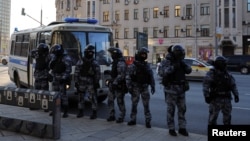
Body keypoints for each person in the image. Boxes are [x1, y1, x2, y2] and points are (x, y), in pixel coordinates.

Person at [158, 44, 192, 136]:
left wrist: (184, 65)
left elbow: (189, 70)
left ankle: (182, 128)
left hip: (181, 89)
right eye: (179, 53)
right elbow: (161, 73)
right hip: (171, 89)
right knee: (171, 110)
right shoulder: (166, 61)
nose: (180, 55)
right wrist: (173, 67)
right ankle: (171, 128)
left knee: (182, 109)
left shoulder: (181, 61)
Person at [203, 56, 239, 125]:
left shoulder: (227, 73)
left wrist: (236, 95)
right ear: (220, 64)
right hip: (215, 99)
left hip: (226, 99)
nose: (225, 65)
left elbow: (233, 85)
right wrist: (206, 96)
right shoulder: (212, 73)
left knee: (227, 119)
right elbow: (206, 85)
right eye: (224, 63)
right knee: (212, 119)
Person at [126, 47, 155, 128]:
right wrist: (129, 88)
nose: (144, 55)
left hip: (145, 87)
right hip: (136, 87)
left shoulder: (147, 65)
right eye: (142, 54)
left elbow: (151, 76)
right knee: (134, 105)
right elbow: (128, 77)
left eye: (145, 54)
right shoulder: (133, 65)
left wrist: (153, 86)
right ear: (139, 54)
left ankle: (148, 121)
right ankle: (133, 120)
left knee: (146, 105)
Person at [74, 44, 101, 119]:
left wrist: (96, 82)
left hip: (91, 82)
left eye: (92, 52)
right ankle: (80, 111)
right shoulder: (81, 61)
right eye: (89, 52)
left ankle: (94, 112)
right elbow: (77, 72)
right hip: (82, 82)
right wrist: (76, 82)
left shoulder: (94, 62)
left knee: (92, 97)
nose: (91, 54)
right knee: (80, 97)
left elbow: (97, 73)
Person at [49, 44, 72, 118]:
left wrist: (63, 78)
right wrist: (51, 75)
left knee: (63, 96)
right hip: (55, 78)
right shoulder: (55, 57)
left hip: (62, 79)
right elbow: (53, 67)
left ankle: (65, 111)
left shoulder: (66, 58)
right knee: (54, 95)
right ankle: (54, 110)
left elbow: (68, 70)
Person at [106, 47, 127, 123]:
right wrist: (109, 72)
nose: (111, 55)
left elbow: (121, 75)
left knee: (120, 101)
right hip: (113, 84)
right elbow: (115, 72)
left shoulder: (120, 62)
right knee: (110, 100)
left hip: (119, 85)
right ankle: (111, 115)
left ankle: (121, 116)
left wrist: (115, 82)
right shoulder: (115, 62)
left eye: (112, 54)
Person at [30, 43, 51, 111]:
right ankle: (45, 107)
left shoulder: (37, 55)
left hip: (38, 76)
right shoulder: (48, 56)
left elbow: (31, 52)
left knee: (37, 91)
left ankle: (36, 105)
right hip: (44, 76)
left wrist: (37, 49)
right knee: (44, 92)